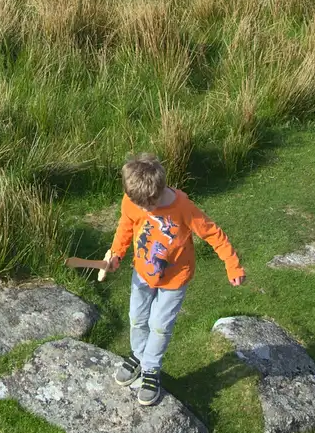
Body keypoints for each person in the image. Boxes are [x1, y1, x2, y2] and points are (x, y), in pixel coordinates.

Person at [102, 153, 245, 407]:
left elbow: (213, 233)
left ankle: (151, 368)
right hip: (142, 272)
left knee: (159, 325)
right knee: (137, 317)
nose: (143, 210)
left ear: (158, 192)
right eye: (139, 205)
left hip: (174, 279)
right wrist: (116, 255)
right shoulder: (133, 201)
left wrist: (232, 264)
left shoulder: (182, 208)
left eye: (148, 205)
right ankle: (138, 354)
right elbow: (125, 227)